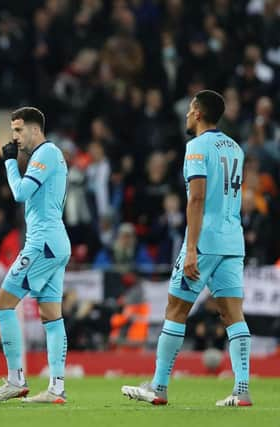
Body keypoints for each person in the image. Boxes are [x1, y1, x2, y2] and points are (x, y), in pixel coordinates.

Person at [122, 90, 252, 407]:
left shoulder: (196, 147)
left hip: (205, 240)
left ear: (196, 111)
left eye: (189, 110)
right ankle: (242, 390)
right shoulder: (235, 148)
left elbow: (196, 198)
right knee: (233, 314)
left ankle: (159, 386)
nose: (185, 115)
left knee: (175, 309)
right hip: (233, 239)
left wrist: (191, 248)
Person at [0, 107, 70, 404]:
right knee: (51, 315)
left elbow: (20, 193)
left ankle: (15, 379)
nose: (15, 137)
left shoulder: (45, 153)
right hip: (55, 242)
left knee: (3, 303)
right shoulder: (49, 154)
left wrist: (9, 163)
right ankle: (56, 388)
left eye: (19, 130)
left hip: (42, 243)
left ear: (35, 129)